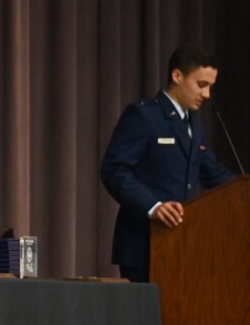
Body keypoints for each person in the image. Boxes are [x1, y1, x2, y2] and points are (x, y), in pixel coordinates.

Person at [100, 43, 238, 282]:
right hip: (143, 244)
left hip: (182, 244)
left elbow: (212, 172)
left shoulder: (194, 124)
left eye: (210, 87)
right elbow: (114, 170)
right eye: (202, 85)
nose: (207, 94)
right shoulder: (144, 115)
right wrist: (154, 206)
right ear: (177, 76)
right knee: (144, 318)